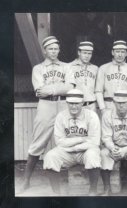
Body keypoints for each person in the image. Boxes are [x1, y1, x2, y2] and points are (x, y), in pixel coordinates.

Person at [18, 36, 75, 193]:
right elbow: (39, 91)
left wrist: (53, 88)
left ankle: (72, 178)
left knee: (70, 138)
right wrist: (59, 87)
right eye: (50, 49)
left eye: (56, 49)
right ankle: (26, 180)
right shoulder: (38, 68)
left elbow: (70, 87)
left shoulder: (66, 66)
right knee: (38, 142)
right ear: (44, 51)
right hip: (46, 105)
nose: (54, 51)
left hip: (64, 104)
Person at [43, 89, 101, 195]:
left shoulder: (92, 116)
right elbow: (59, 142)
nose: (73, 106)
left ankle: (93, 191)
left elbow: (94, 142)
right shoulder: (61, 116)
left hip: (85, 151)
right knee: (50, 156)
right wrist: (81, 139)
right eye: (71, 103)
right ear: (67, 103)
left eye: (76, 103)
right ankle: (56, 193)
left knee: (93, 155)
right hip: (67, 152)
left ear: (82, 103)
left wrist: (74, 147)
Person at [95, 40, 127, 115]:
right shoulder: (103, 68)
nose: (120, 55)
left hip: (125, 106)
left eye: (122, 52)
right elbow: (98, 91)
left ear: (126, 53)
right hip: (108, 105)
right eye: (117, 51)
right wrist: (102, 109)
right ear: (112, 52)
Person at [69, 41, 98, 111]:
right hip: (76, 105)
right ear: (79, 52)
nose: (87, 56)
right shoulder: (70, 67)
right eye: (84, 53)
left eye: (89, 53)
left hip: (92, 105)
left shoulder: (95, 68)